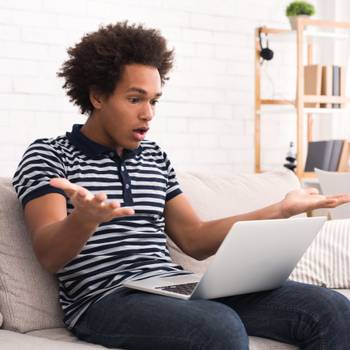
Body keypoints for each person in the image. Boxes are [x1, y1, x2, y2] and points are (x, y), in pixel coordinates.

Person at [13, 21, 350, 350]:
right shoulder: (50, 155)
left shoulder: (154, 157)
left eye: (154, 100)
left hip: (172, 285)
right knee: (217, 326)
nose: (148, 114)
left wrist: (280, 209)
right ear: (98, 96)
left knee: (331, 308)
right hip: (105, 299)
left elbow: (195, 239)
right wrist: (83, 220)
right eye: (135, 99)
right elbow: (49, 255)